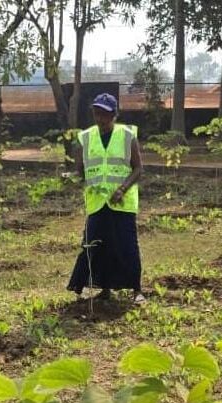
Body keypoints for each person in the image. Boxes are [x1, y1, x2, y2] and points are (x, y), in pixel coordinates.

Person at [67, 93, 146, 304]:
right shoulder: (86, 137)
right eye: (96, 113)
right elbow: (81, 170)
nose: (100, 118)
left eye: (104, 114)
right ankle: (103, 288)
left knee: (127, 245)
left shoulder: (127, 135)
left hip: (122, 202)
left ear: (114, 114)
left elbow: (138, 168)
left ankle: (136, 289)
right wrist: (71, 177)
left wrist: (122, 189)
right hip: (96, 201)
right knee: (94, 244)